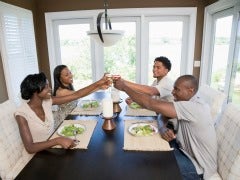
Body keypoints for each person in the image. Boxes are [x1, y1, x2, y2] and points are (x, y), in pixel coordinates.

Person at [114, 75, 217, 180]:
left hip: (197, 167)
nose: (173, 92)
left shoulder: (195, 108)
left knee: (147, 168)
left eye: (177, 89)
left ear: (190, 90)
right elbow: (161, 114)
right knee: (145, 156)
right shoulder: (186, 102)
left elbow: (150, 103)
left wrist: (125, 87)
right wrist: (163, 128)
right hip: (181, 150)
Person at [14, 72, 111, 154]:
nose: (50, 89)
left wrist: (98, 83)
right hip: (37, 155)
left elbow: (76, 95)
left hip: (52, 149)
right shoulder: (21, 114)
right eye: (46, 87)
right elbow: (30, 147)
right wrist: (57, 140)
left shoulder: (47, 102)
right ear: (35, 91)